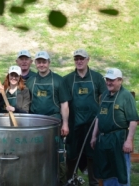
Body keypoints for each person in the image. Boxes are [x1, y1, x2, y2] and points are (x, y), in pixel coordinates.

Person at [26, 51, 70, 185]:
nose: (41, 65)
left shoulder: (58, 80)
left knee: (57, 155)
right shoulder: (31, 81)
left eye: (44, 62)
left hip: (54, 123)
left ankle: (59, 181)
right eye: (39, 62)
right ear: (35, 63)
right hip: (35, 123)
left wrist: (65, 124)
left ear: (49, 63)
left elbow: (64, 104)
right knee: (35, 154)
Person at [63, 49, 107, 186]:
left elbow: (105, 99)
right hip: (74, 123)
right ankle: (71, 180)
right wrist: (65, 123)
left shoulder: (97, 78)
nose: (79, 61)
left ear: (88, 59)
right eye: (76, 59)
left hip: (92, 124)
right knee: (71, 153)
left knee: (92, 153)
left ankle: (93, 182)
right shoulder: (68, 79)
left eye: (82, 58)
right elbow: (64, 103)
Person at [91, 68, 138, 186]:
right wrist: (93, 136)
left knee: (121, 171)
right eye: (107, 79)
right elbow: (99, 117)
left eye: (112, 80)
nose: (108, 82)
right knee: (107, 171)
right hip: (104, 140)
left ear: (120, 80)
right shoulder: (105, 95)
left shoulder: (126, 96)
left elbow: (133, 120)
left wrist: (129, 141)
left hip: (118, 139)